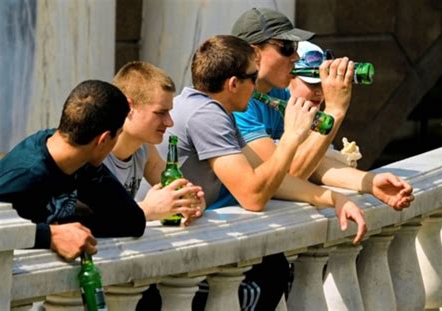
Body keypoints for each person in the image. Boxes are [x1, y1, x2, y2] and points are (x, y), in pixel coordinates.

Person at [157, 34, 366, 310]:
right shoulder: (205, 114)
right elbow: (253, 196)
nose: (257, 87)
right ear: (233, 84)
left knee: (273, 267)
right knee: (270, 272)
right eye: (252, 79)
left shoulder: (216, 111)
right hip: (173, 260)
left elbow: (272, 179)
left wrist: (333, 198)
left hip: (193, 250)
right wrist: (292, 135)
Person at [231, 8, 414, 210]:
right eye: (286, 47)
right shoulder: (237, 104)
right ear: (254, 52)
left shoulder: (277, 95)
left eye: (295, 46)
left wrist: (371, 182)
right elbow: (287, 177)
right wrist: (335, 110)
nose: (294, 57)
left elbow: (314, 163)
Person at [0, 80, 172, 261]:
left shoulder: (81, 160)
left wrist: (68, 226)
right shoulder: (26, 172)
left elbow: (132, 222)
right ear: (104, 139)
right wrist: (48, 235)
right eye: (119, 134)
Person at [106, 61, 205, 225]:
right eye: (160, 113)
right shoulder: (93, 151)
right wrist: (146, 210)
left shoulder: (143, 147)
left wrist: (192, 203)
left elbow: (183, 193)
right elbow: (85, 221)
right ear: (128, 107)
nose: (169, 122)